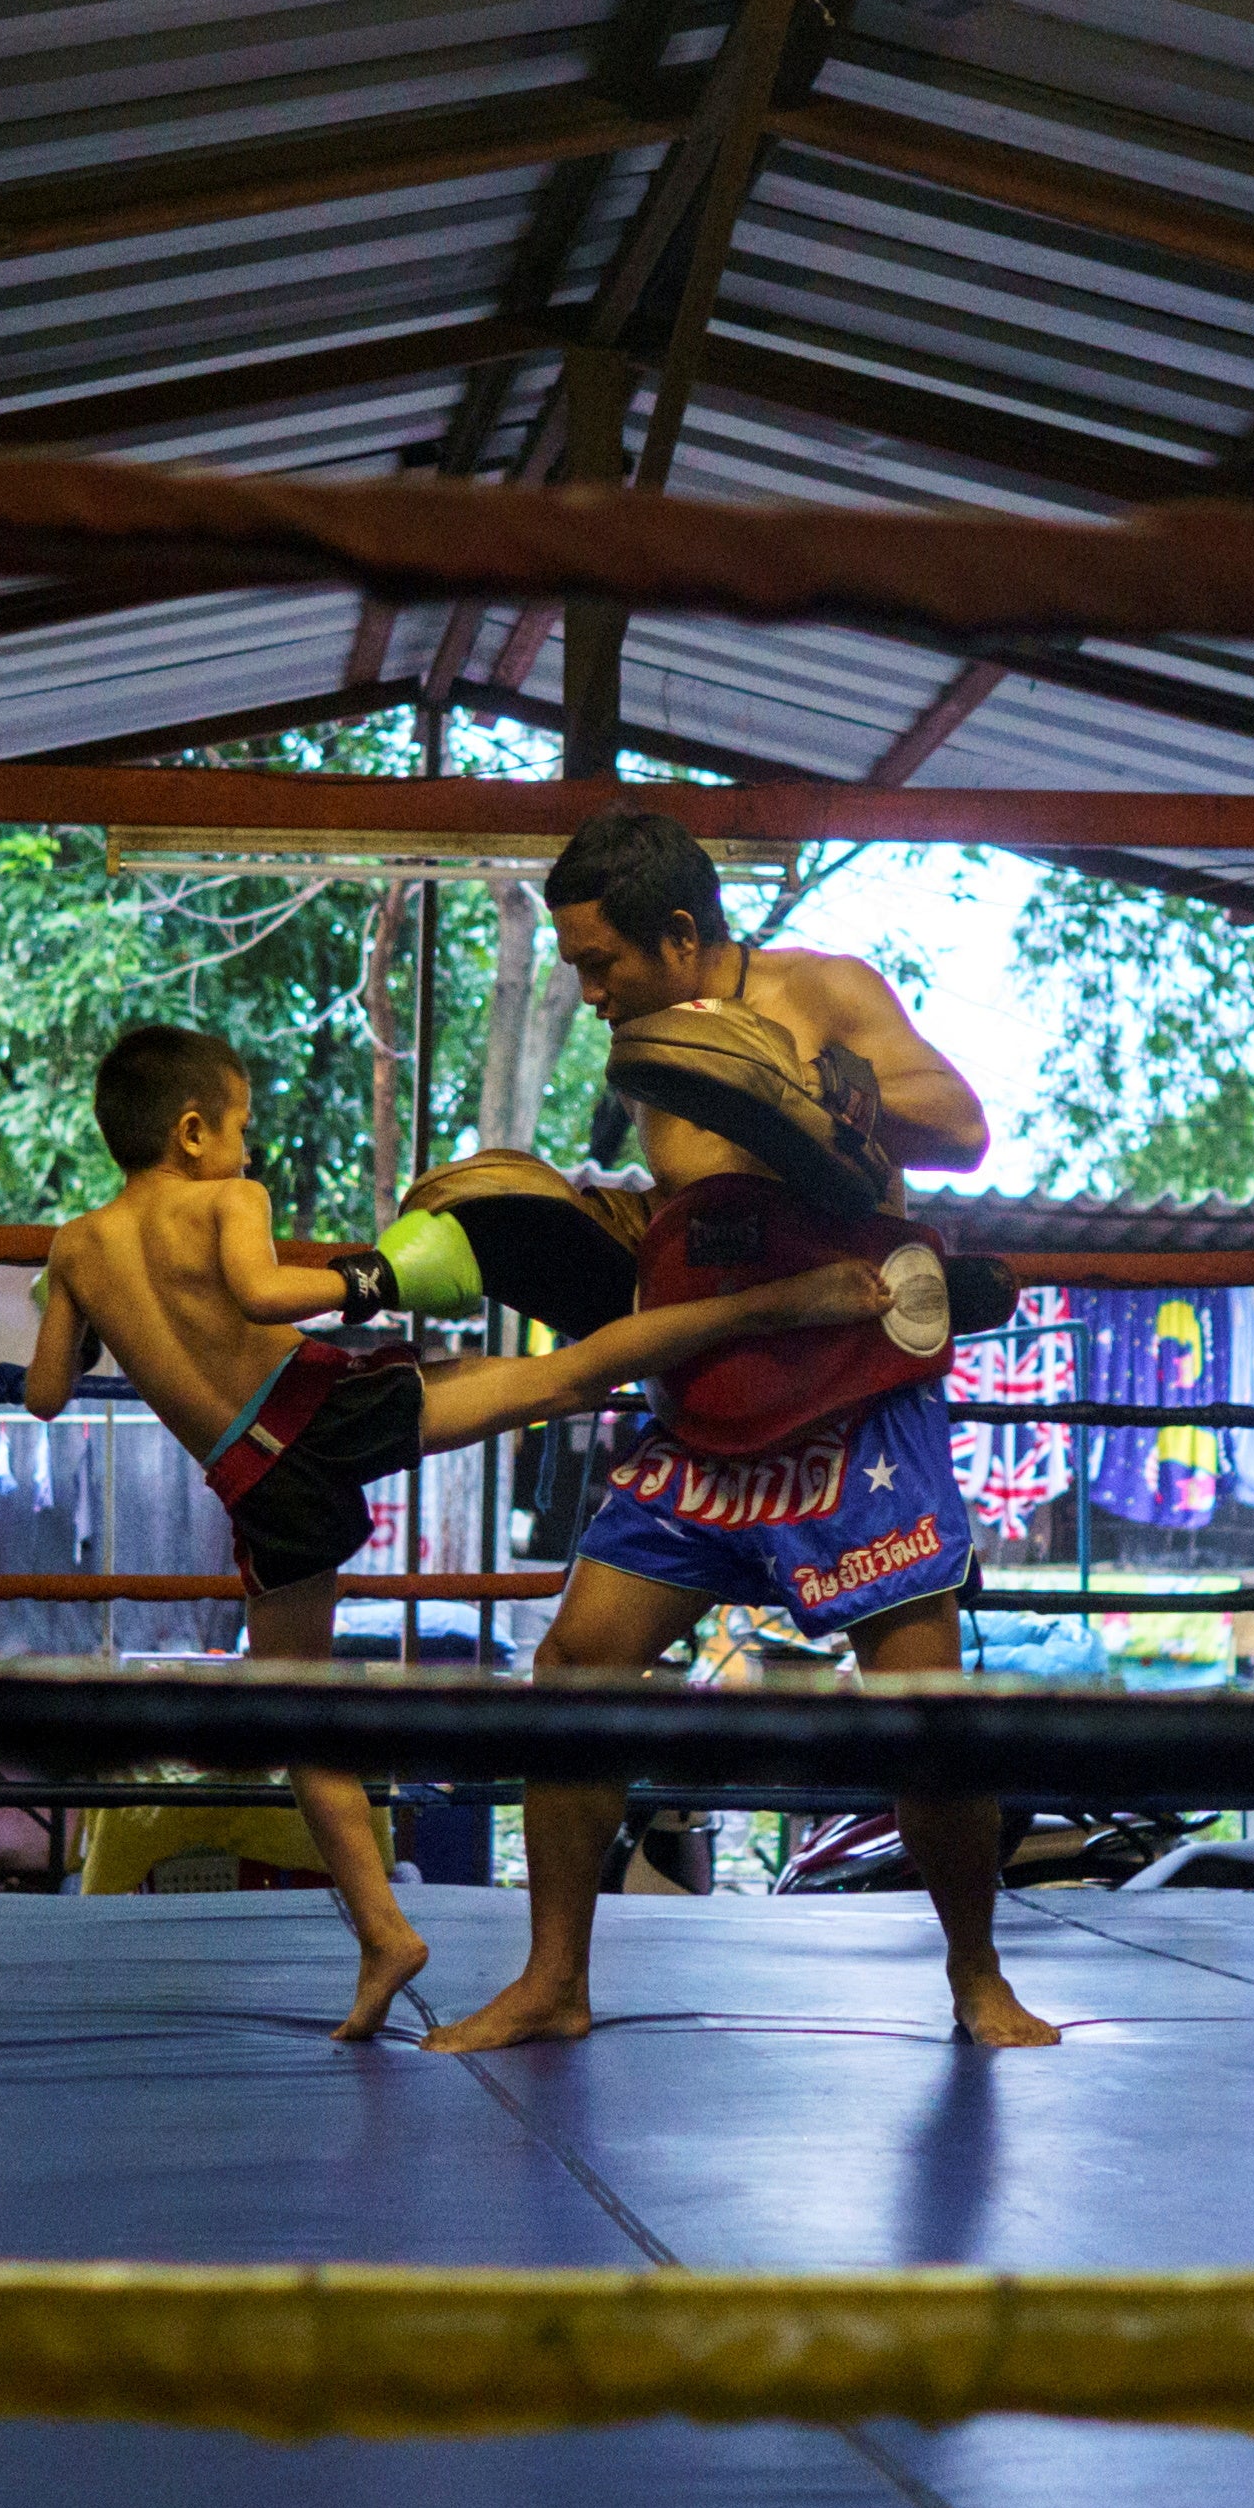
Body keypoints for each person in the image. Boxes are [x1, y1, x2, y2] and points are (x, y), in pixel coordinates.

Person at [31, 1019, 924, 2043]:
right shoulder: (228, 1197)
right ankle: (785, 1300)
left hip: (258, 1479)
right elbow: (262, 1292)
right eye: (240, 1126)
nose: (249, 1148)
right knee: (566, 1374)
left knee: (296, 1721)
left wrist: (77, 1305)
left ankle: (383, 1936)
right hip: (316, 1409)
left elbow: (51, 1393)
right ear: (191, 1133)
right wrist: (388, 1274)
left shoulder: (75, 1248)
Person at [425, 807, 1060, 2055]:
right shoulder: (651, 1055)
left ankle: (977, 1978)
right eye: (575, 968)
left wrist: (841, 1101)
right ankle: (555, 1975)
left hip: (848, 1402)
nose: (589, 990)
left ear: (679, 933)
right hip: (707, 1410)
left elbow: (964, 1123)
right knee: (575, 1671)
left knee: (922, 1709)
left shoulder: (819, 992)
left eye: (602, 963)